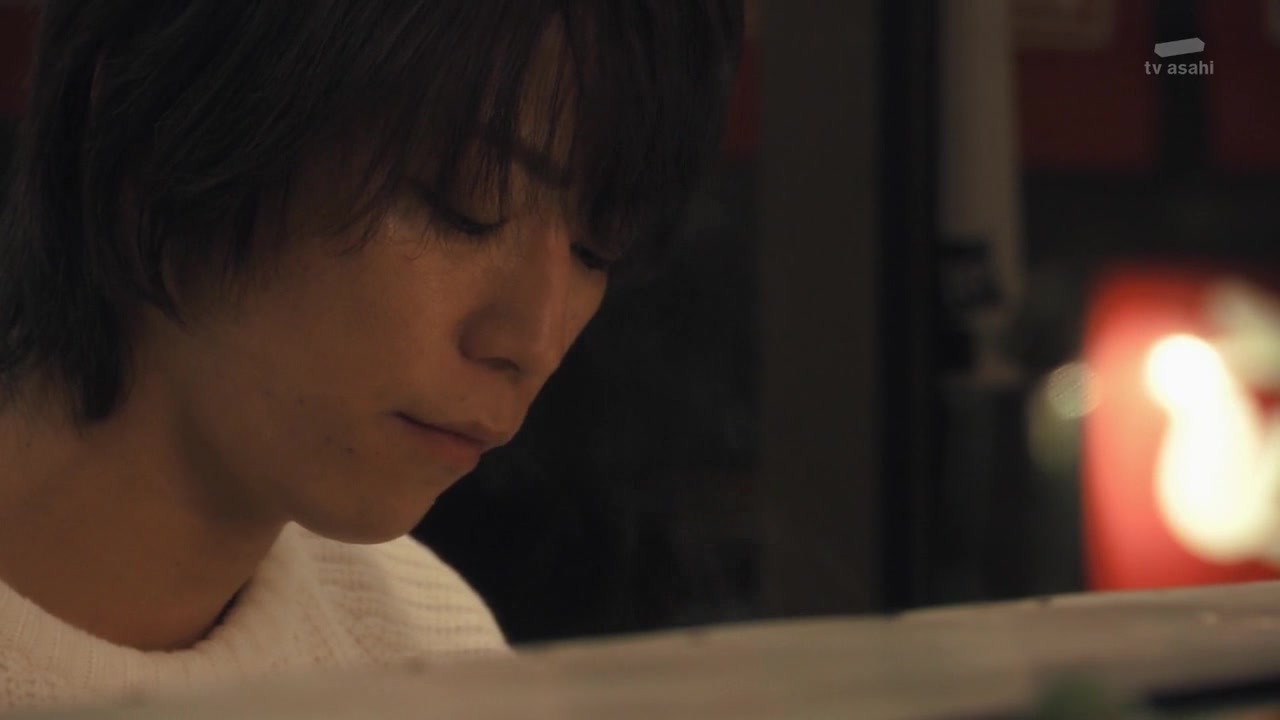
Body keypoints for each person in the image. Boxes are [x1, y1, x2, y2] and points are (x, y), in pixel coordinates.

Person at [0, 0, 742, 712]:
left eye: (597, 247)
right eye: (464, 203)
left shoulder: (430, 654)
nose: (535, 341)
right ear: (159, 120)